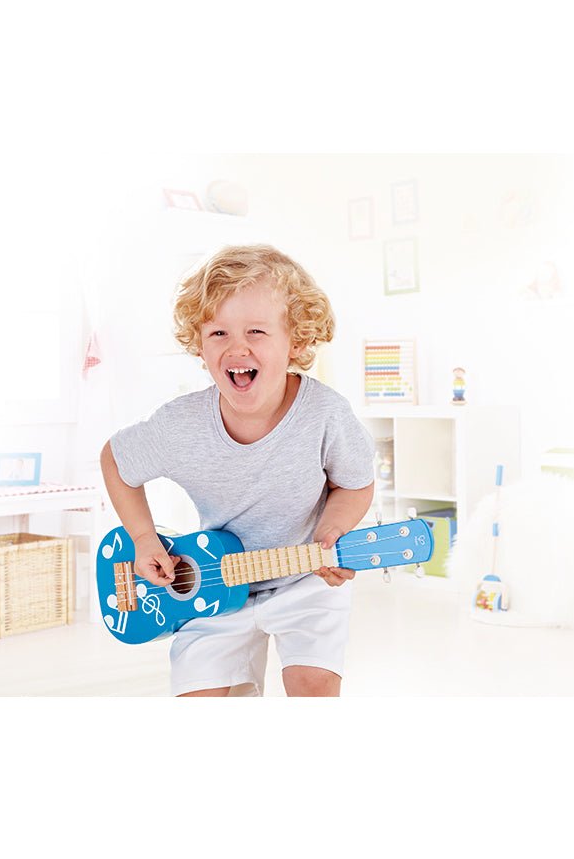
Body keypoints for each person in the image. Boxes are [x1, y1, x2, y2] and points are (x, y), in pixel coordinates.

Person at [99, 245, 375, 696]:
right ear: (199, 343)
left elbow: (356, 484)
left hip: (306, 577)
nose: (236, 347)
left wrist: (334, 529)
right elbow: (115, 459)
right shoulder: (181, 423)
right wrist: (144, 538)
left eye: (257, 331)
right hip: (214, 585)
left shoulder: (326, 414)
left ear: (297, 341)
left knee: (313, 686)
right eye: (218, 333)